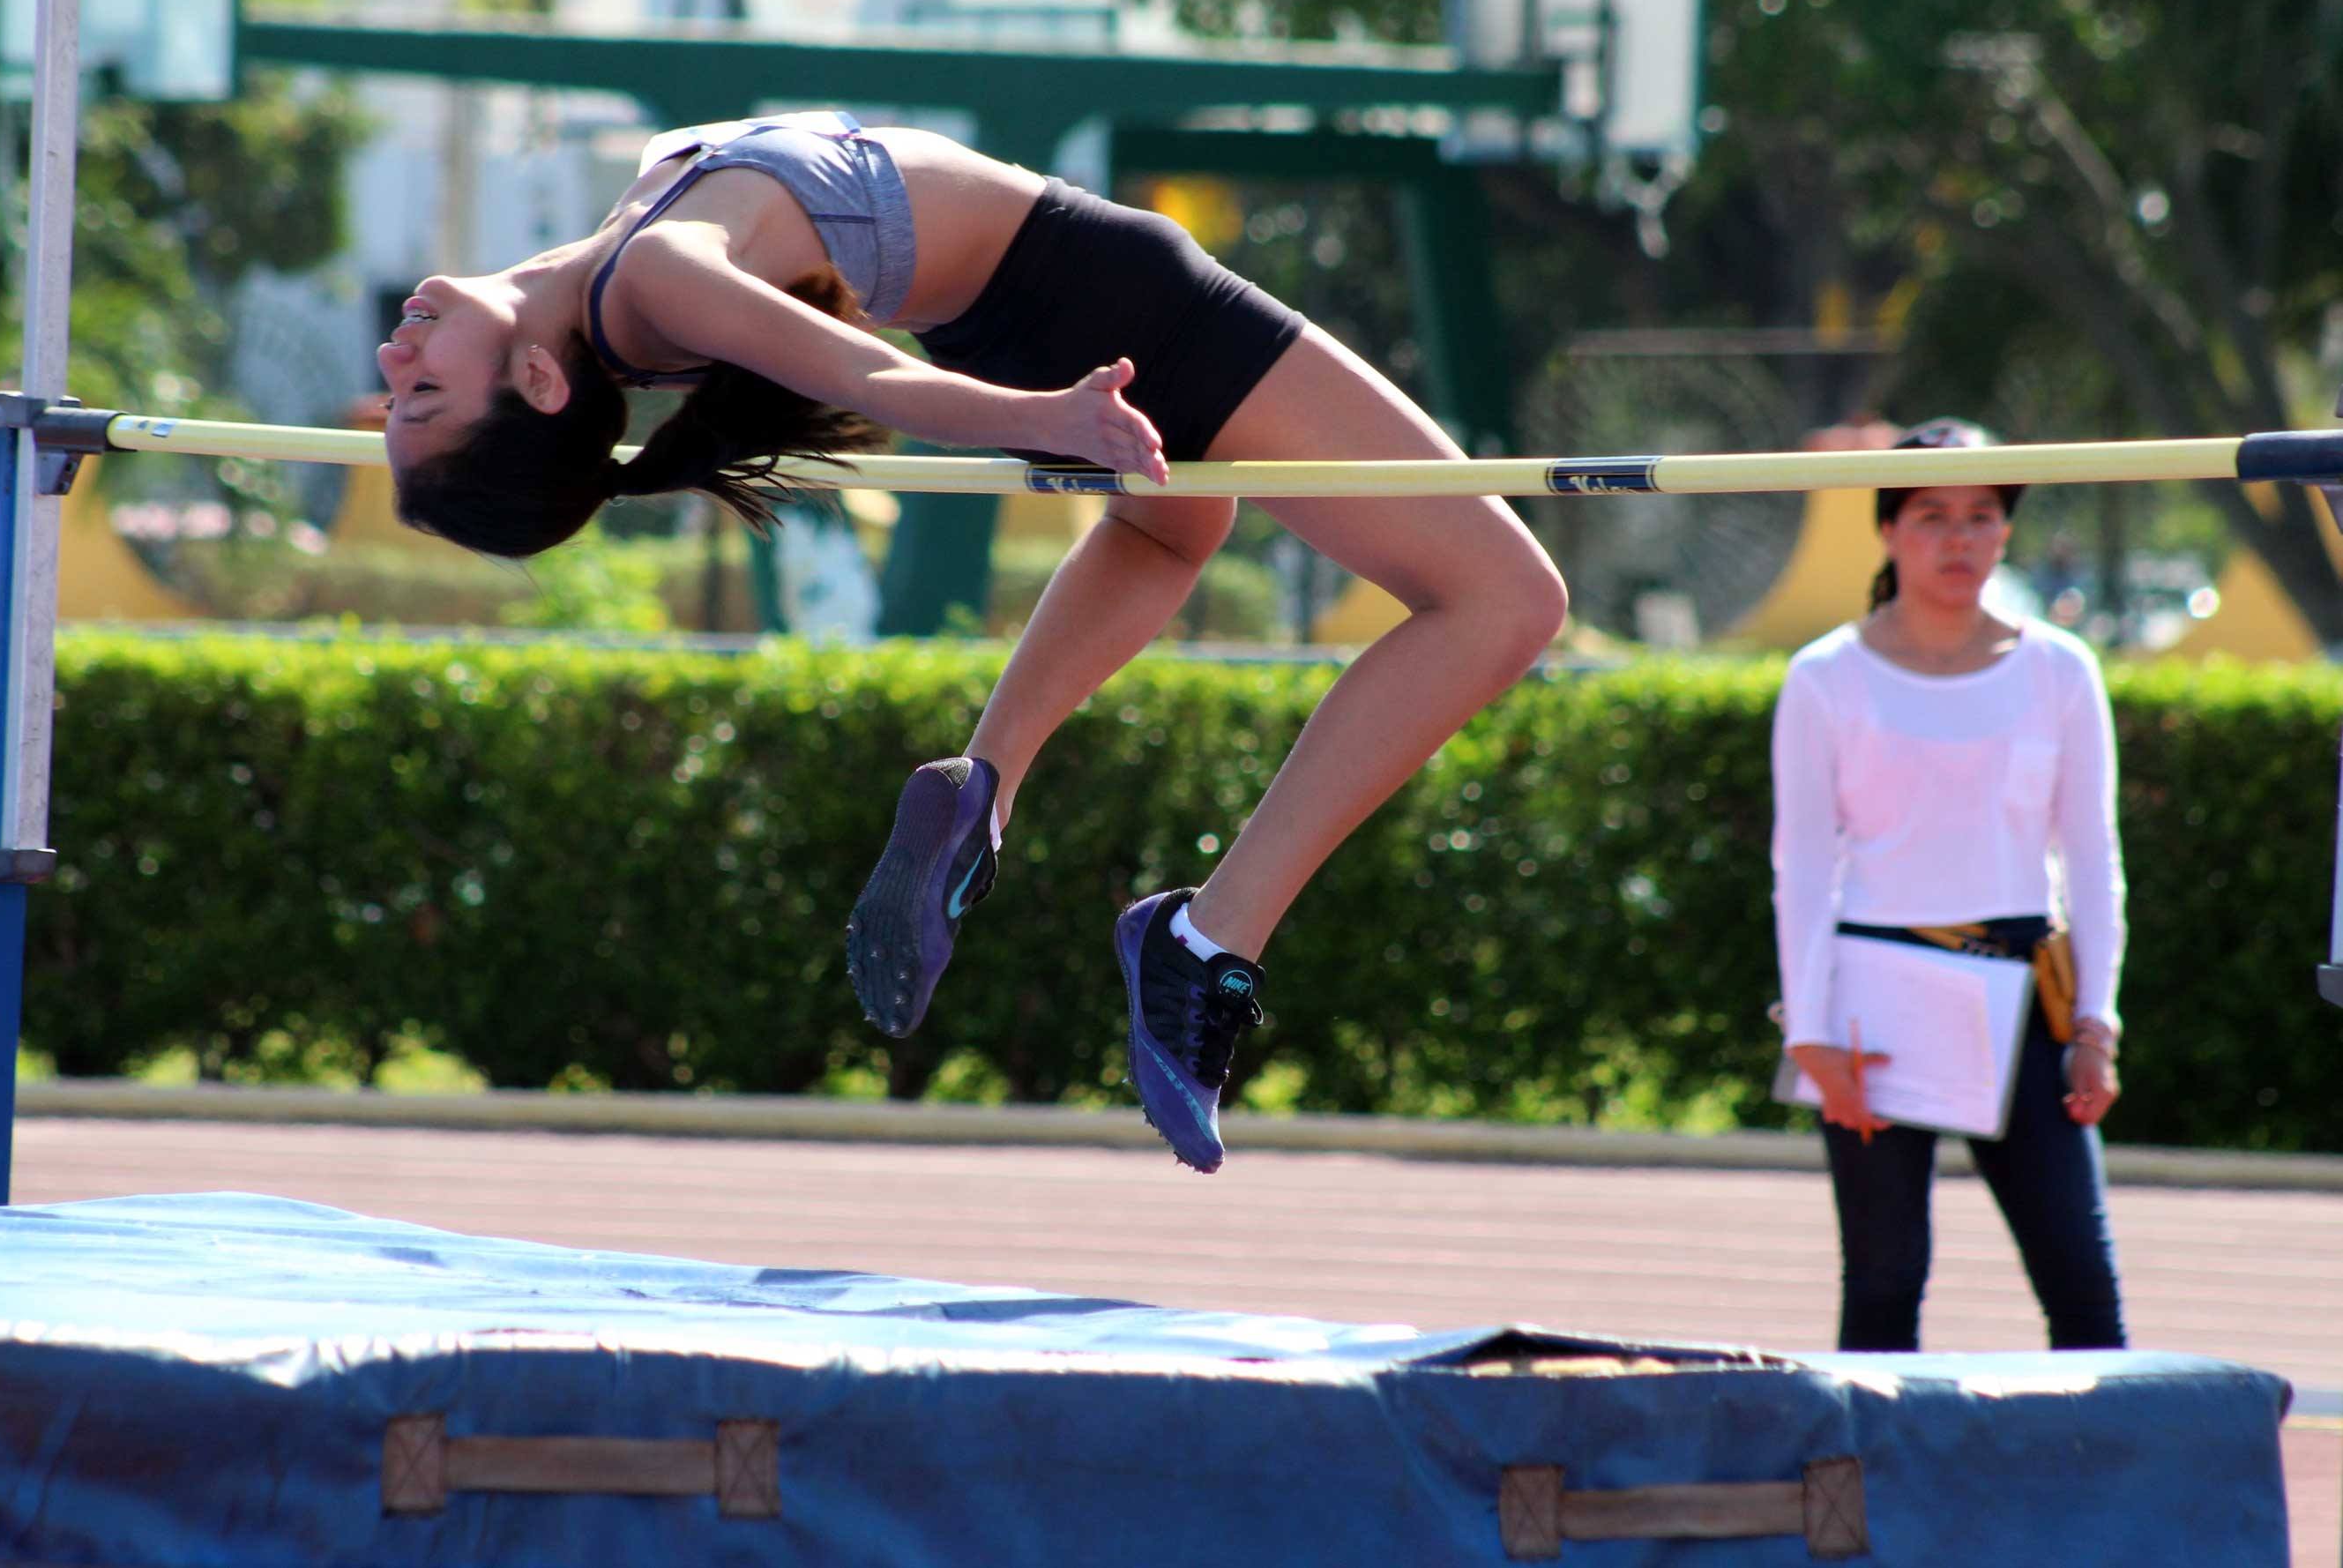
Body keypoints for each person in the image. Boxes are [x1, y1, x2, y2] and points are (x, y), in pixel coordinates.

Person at [377, 110, 1566, 1173]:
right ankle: (1210, 937)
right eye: (421, 396)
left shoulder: (618, 270)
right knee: (1503, 600)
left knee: (1168, 533)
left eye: (397, 395)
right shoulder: (656, 273)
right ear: (539, 381)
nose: (395, 359)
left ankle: (987, 784)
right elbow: (868, 374)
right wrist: (1048, 418)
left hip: (1023, 315)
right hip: (1107, 303)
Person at [1770, 421, 2128, 1353]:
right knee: (1884, 1282)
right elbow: (1801, 863)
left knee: (2083, 1285)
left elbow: (2092, 854)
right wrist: (1810, 1032)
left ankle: (2102, 1453)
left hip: (2027, 999)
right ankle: (1872, 1454)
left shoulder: (2061, 668)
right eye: (1932, 515)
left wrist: (2096, 1023)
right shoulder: (1824, 676)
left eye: (1980, 515)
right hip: (1876, 1007)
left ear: (2006, 530)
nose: (1958, 537)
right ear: (1889, 528)